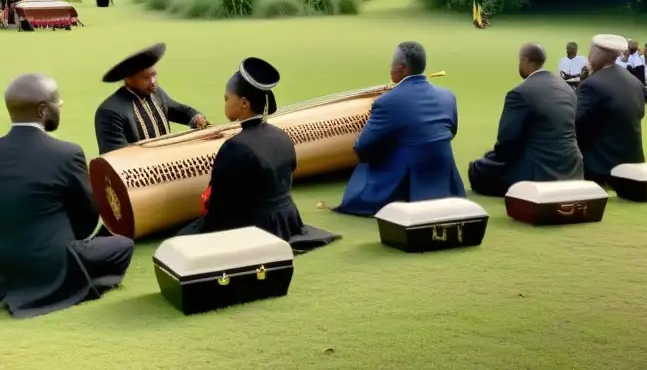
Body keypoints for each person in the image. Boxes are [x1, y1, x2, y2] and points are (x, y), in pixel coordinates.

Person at [0, 73, 134, 318]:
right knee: (122, 245)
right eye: (56, 101)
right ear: (43, 110)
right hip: (50, 263)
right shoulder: (66, 153)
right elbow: (87, 216)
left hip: (4, 264)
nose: (60, 105)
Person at [178, 59, 339, 252]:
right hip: (288, 220)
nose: (225, 103)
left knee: (181, 240)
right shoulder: (282, 135)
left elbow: (219, 204)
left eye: (227, 99)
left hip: (255, 226)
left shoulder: (235, 146)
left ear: (244, 103)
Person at [336, 41, 465, 216]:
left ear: (402, 68)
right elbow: (451, 133)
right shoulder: (447, 96)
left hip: (408, 184)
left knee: (365, 168)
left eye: (392, 64)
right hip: (446, 182)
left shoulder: (387, 102)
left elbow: (363, 147)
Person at [468, 43, 583, 196]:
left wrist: (489, 159)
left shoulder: (519, 94)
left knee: (477, 168)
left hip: (539, 173)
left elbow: (506, 142)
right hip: (572, 170)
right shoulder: (566, 89)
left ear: (526, 61)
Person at [94, 43, 208, 154]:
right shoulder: (110, 111)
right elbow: (116, 155)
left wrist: (198, 120)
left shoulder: (156, 93)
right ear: (127, 79)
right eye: (146, 77)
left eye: (154, 75)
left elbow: (180, 110)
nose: (153, 82)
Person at [575, 34, 645, 185]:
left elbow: (576, 124)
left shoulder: (593, 84)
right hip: (633, 164)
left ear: (598, 55)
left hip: (603, 167)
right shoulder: (633, 81)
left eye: (590, 52)